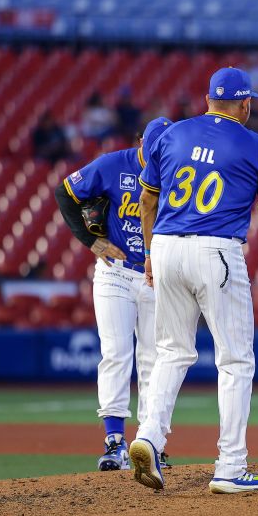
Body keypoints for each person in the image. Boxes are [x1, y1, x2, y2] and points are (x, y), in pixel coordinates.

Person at [132, 67, 258, 494]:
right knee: (235, 359)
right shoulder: (255, 143)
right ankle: (230, 466)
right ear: (246, 104)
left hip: (165, 245)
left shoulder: (173, 133)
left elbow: (147, 198)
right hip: (215, 249)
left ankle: (149, 435)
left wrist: (148, 253)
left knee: (170, 351)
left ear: (207, 100)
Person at [54, 117, 173, 472]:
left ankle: (152, 442)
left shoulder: (178, 173)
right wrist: (91, 240)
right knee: (116, 353)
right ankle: (115, 441)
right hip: (115, 274)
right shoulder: (112, 165)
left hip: (157, 276)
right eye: (151, 150)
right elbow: (66, 192)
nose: (156, 157)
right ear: (140, 142)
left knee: (155, 360)